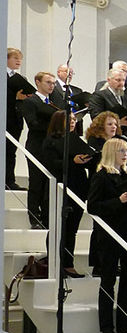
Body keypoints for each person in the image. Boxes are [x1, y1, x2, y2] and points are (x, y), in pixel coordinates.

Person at [87, 138, 127, 333]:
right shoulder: (102, 175)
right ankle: (107, 326)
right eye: (121, 151)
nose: (125, 154)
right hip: (109, 233)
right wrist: (118, 200)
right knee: (108, 279)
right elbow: (93, 207)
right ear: (111, 152)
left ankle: (126, 324)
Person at [42, 110, 93, 277]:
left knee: (72, 229)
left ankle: (69, 264)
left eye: (73, 120)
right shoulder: (52, 141)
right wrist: (73, 160)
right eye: (68, 120)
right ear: (58, 122)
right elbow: (51, 163)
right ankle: (54, 263)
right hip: (60, 188)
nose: (72, 122)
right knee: (58, 228)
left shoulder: (77, 140)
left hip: (77, 188)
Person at [21, 71, 63, 227]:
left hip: (52, 147)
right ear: (37, 82)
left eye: (53, 83)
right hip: (37, 146)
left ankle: (46, 217)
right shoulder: (31, 101)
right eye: (48, 82)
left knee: (48, 184)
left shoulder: (54, 102)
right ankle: (34, 217)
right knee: (36, 182)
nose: (52, 85)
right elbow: (32, 123)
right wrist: (53, 124)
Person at [7, 48, 27, 190]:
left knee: (11, 151)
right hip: (5, 118)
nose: (18, 61)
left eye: (20, 58)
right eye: (15, 58)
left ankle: (9, 180)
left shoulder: (21, 79)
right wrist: (14, 98)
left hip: (16, 120)